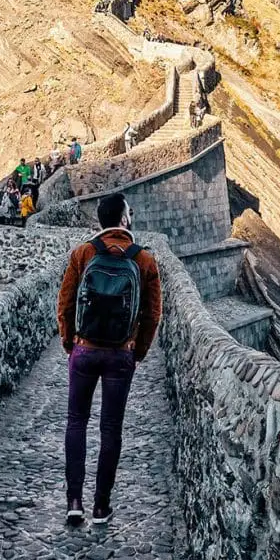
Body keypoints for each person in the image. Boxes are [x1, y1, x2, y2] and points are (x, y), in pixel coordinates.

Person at [58, 193, 162, 526]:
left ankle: (74, 501)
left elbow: (65, 304)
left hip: (84, 351)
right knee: (111, 429)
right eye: (128, 213)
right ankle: (101, 506)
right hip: (121, 355)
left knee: (77, 421)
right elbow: (152, 315)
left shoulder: (83, 253)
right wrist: (138, 351)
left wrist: (70, 344)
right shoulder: (144, 260)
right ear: (123, 219)